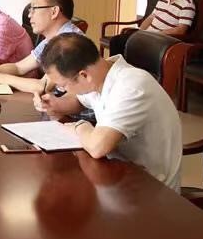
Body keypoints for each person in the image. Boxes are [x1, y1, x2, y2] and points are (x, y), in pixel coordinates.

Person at [37, 33, 182, 191]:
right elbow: (79, 99)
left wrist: (80, 127)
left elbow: (97, 147)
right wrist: (55, 104)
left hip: (151, 190)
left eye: (63, 85)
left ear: (84, 76)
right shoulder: (101, 72)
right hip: (117, 173)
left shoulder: (131, 87)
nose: (62, 90)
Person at [108, 0, 195, 56]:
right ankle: (117, 64)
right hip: (149, 35)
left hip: (162, 39)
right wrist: (140, 32)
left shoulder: (187, 4)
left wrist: (157, 34)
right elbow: (150, 18)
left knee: (120, 42)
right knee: (117, 40)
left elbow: (181, 30)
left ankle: (119, 64)